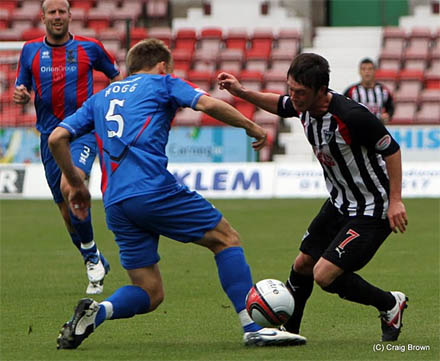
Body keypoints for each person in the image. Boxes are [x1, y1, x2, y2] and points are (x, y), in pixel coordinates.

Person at [49, 38, 307, 349]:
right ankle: (252, 327)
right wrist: (252, 126)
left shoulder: (100, 98)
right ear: (161, 66)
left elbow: (57, 138)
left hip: (116, 203)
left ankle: (98, 312)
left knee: (150, 291)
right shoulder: (162, 82)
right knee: (225, 238)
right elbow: (208, 103)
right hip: (153, 189)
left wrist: (76, 183)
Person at [217, 53, 409, 342]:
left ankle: (389, 304)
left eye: (300, 92)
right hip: (338, 203)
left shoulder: (353, 117)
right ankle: (289, 332)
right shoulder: (302, 105)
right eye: (291, 89)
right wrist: (241, 91)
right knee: (302, 264)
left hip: (372, 208)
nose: (293, 97)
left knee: (323, 275)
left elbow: (391, 150)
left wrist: (395, 201)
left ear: (321, 91)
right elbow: (279, 104)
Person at [14, 0, 122, 294]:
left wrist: (109, 106)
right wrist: (20, 95)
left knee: (71, 186)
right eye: (53, 12)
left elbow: (115, 75)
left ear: (70, 16)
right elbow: (21, 87)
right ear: (43, 17)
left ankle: (91, 262)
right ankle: (93, 257)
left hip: (82, 132)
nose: (58, 17)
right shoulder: (30, 51)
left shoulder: (90, 48)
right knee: (65, 212)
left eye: (62, 12)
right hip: (49, 137)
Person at [344, 58, 394, 123]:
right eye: (363, 69)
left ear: (375, 71)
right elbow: (343, 108)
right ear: (359, 71)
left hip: (377, 130)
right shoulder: (351, 91)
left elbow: (390, 107)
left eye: (370, 69)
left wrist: (388, 115)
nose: (367, 72)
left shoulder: (383, 90)